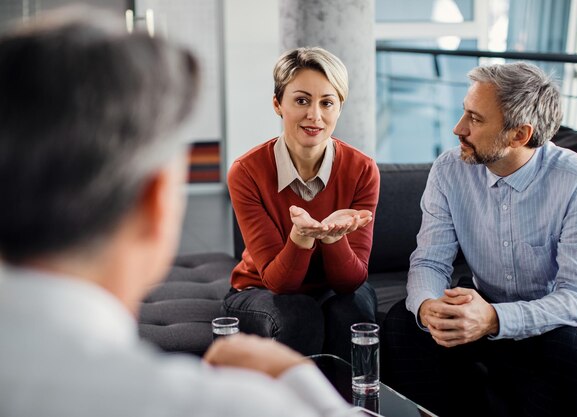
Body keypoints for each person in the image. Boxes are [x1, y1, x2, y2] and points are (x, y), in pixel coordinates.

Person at [0, 7, 358, 417]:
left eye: (327, 102)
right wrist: (300, 381)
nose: (315, 114)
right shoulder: (214, 405)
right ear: (155, 202)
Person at [382, 62, 577, 417]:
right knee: (404, 324)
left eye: (475, 119)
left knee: (574, 353)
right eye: (464, 113)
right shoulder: (448, 169)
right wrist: (428, 308)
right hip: (480, 300)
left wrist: (494, 320)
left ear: (519, 135)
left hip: (547, 319)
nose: (459, 129)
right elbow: (429, 261)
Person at [225, 47, 379, 360]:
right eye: (301, 100)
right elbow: (278, 282)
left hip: (333, 289)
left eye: (327, 103)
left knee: (353, 309)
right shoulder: (246, 172)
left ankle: (353, 408)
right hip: (259, 289)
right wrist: (301, 238)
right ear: (277, 104)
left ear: (339, 108)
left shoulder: (363, 170)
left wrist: (334, 240)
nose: (315, 115)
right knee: (299, 313)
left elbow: (351, 281)